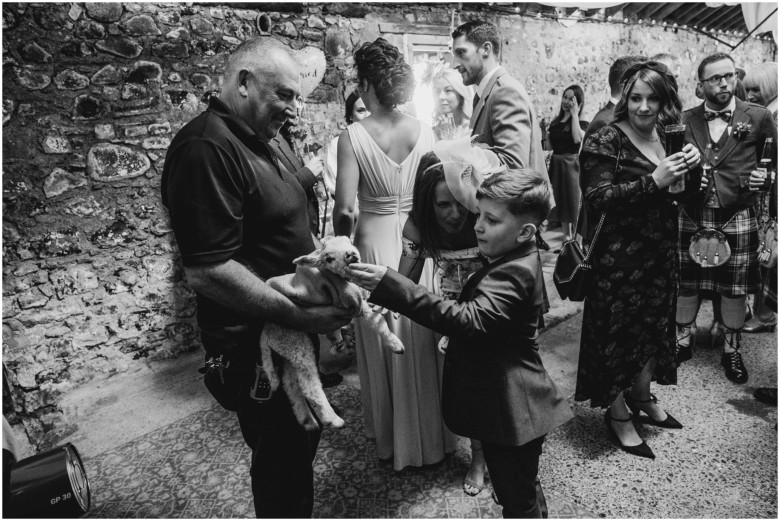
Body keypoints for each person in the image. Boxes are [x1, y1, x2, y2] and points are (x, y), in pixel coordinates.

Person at [160, 37, 353, 517]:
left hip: (290, 330)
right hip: (252, 345)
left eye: (297, 95)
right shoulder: (206, 148)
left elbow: (278, 208)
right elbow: (209, 271)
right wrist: (304, 317)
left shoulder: (263, 133)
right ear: (243, 82)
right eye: (284, 94)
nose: (294, 107)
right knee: (282, 465)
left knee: (298, 450)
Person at [348, 170, 573, 518]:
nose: (478, 226)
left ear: (526, 231)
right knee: (521, 487)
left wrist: (392, 285)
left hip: (515, 410)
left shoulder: (515, 272)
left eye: (491, 220)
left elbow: (469, 319)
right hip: (508, 407)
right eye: (479, 214)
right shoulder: (512, 257)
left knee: (518, 500)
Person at [333, 38, 449, 471]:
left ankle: (394, 442)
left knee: (385, 338)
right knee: (422, 333)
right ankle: (435, 439)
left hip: (374, 245)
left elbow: (345, 208)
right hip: (419, 245)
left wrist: (340, 254)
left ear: (367, 82)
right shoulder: (425, 130)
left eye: (359, 81)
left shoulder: (352, 136)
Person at [575, 61, 701, 459]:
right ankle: (616, 413)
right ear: (625, 98)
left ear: (665, 101)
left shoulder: (668, 135)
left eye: (652, 98)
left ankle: (642, 396)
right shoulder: (605, 138)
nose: (643, 107)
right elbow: (596, 199)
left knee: (652, 329)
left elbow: (681, 196)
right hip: (618, 261)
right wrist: (653, 180)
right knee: (617, 335)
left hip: (660, 254)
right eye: (635, 98)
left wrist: (691, 172)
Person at [675, 53, 777, 384]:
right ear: (700, 85)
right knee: (686, 283)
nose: (724, 83)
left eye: (729, 76)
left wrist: (768, 180)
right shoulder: (683, 118)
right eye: (715, 78)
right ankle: (681, 343)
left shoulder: (759, 116)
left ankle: (732, 351)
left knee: (734, 290)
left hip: (738, 213)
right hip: (692, 211)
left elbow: (773, 163)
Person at [399, 151, 486, 495]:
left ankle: (508, 458)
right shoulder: (418, 226)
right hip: (454, 315)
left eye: (458, 202)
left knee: (501, 383)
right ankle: (479, 459)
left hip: (494, 306)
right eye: (441, 204)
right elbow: (404, 279)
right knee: (471, 386)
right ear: (426, 202)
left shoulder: (485, 216)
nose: (454, 213)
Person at [743, 62, 778, 335]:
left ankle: (765, 315)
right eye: (748, 89)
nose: (751, 95)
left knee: (768, 253)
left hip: (773, 197)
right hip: (767, 195)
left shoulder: (774, 115)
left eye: (757, 89)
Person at [323, 91, 371, 236]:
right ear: (350, 115)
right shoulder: (338, 145)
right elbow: (341, 199)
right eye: (361, 110)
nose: (368, 115)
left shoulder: (385, 144)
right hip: (350, 226)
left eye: (371, 109)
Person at [545, 85, 588, 242]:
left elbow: (577, 139)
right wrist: (545, 132)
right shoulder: (556, 122)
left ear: (578, 102)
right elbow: (548, 147)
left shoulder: (581, 122)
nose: (567, 101)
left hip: (571, 165)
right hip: (556, 164)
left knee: (573, 201)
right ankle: (566, 238)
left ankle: (578, 241)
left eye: (571, 99)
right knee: (560, 201)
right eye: (565, 97)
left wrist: (575, 115)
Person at [430, 66, 474, 139]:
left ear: (461, 94)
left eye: (448, 90)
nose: (441, 97)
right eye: (437, 91)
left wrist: (447, 137)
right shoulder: (431, 132)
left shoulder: (472, 129)